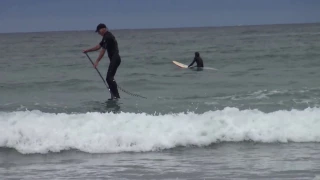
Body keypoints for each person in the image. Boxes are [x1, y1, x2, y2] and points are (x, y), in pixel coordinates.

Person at [83, 23, 121, 100]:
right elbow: (98, 47)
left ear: (103, 29)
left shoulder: (108, 37)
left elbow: (103, 50)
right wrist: (87, 50)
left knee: (109, 78)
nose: (98, 33)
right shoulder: (105, 37)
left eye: (99, 31)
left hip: (115, 58)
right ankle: (114, 96)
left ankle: (116, 96)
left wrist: (97, 61)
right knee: (109, 78)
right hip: (115, 59)